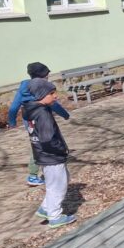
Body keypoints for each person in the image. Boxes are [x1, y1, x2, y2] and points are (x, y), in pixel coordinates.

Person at [22, 78, 76, 228]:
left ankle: (46, 208)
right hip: (52, 156)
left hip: (42, 154)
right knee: (58, 185)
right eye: (51, 93)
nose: (55, 96)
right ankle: (55, 216)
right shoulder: (43, 113)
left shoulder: (30, 109)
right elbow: (47, 139)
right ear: (41, 95)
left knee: (59, 181)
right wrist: (61, 150)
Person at [8, 62, 69, 186]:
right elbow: (53, 104)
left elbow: (14, 107)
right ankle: (36, 173)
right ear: (42, 75)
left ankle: (36, 173)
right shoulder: (41, 87)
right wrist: (64, 114)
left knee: (36, 142)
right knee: (45, 142)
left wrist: (12, 121)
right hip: (42, 116)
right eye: (47, 75)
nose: (48, 77)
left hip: (29, 119)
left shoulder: (24, 86)